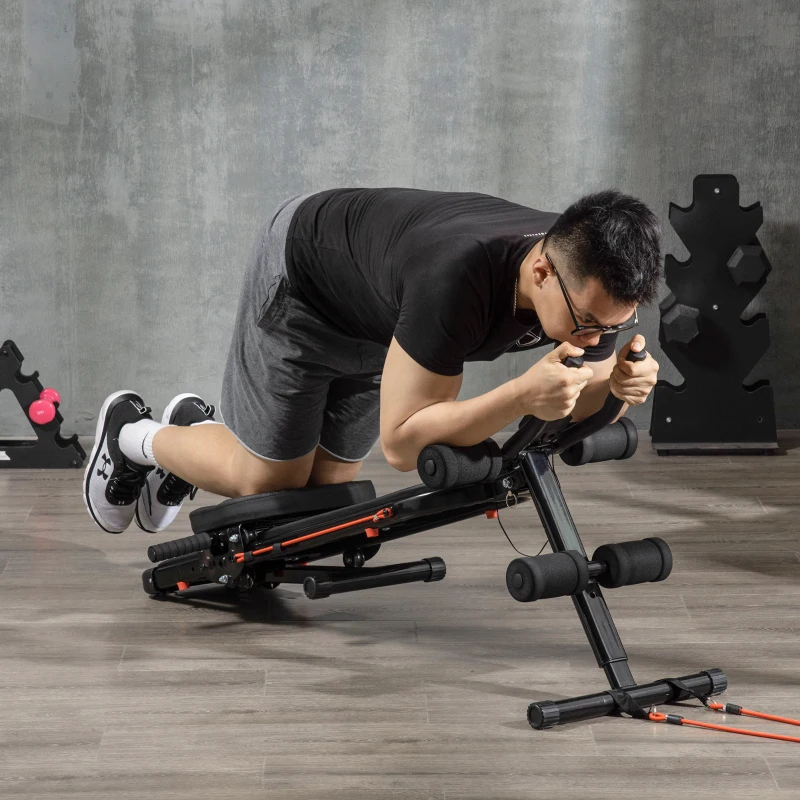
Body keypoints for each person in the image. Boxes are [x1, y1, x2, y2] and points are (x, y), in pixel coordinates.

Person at [83, 188, 661, 534]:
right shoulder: (457, 280)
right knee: (268, 478)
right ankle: (135, 435)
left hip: (384, 319)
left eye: (614, 326)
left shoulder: (588, 276)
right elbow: (403, 446)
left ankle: (198, 435)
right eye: (588, 323)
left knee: (317, 496)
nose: (596, 337)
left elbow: (574, 403)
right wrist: (517, 396)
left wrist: (617, 387)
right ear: (541, 272)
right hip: (306, 287)